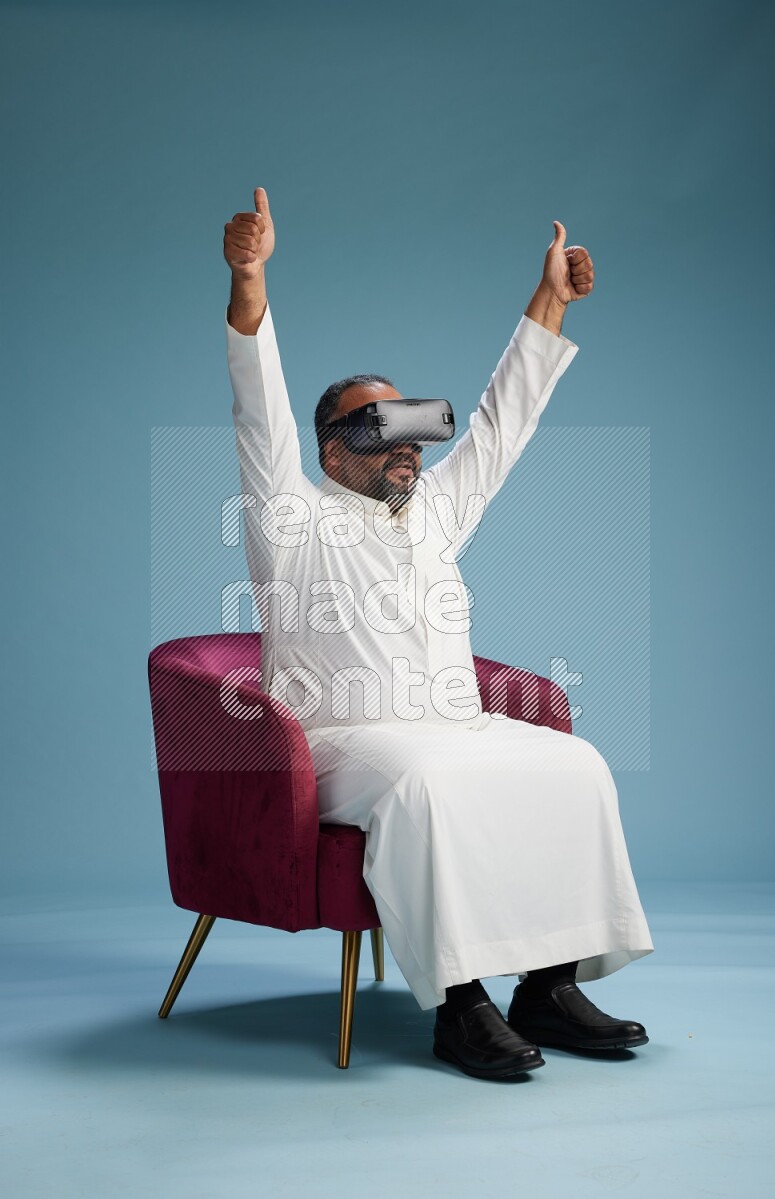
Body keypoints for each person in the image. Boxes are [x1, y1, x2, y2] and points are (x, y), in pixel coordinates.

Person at [223, 186, 655, 1080]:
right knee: (426, 783)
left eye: (416, 427)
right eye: (383, 429)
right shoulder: (290, 516)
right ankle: (460, 1008)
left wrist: (551, 303)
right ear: (333, 450)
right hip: (343, 742)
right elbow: (258, 410)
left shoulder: (433, 514)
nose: (409, 448)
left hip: (449, 725)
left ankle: (548, 985)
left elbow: (503, 424)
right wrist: (250, 279)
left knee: (576, 765)